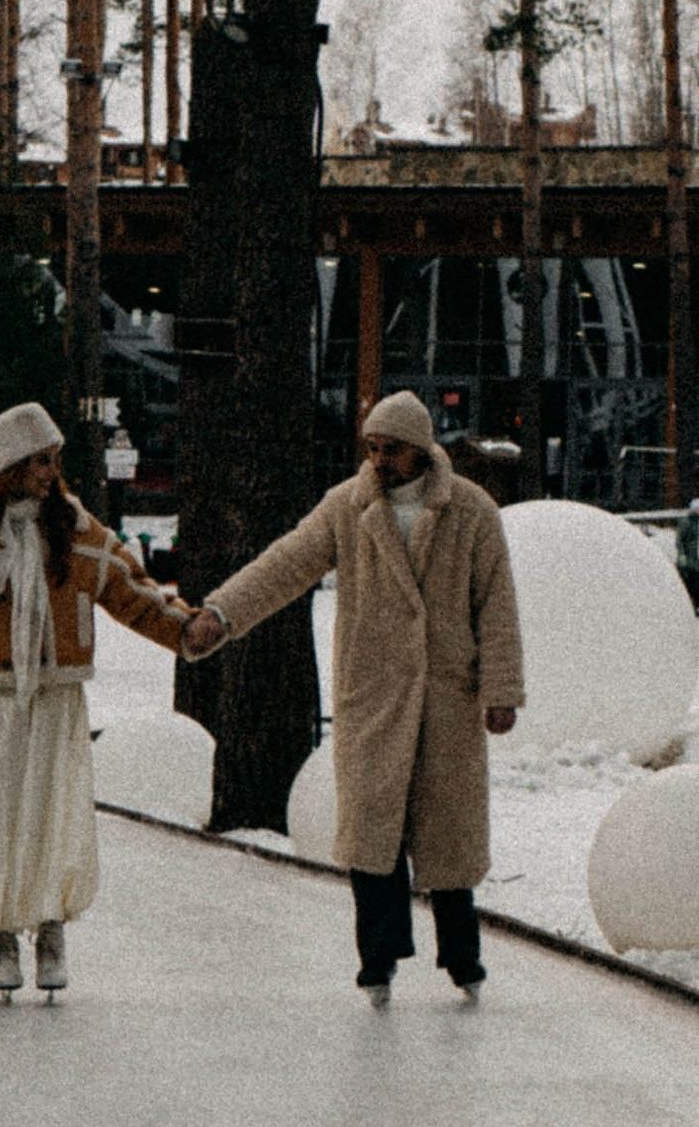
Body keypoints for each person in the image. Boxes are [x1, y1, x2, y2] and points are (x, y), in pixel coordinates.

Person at [183, 389, 524, 1008]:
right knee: (374, 833)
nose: (378, 460)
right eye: (371, 448)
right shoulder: (349, 506)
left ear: (420, 450)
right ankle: (378, 958)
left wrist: (501, 690)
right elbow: (287, 562)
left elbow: (496, 605)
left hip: (448, 696)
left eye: (390, 449)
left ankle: (463, 957)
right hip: (374, 695)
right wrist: (222, 612)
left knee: (448, 836)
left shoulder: (471, 511)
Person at [0, 399, 192, 1002]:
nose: (50, 472)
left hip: (55, 697)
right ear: (8, 465)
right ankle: (1, 932)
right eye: (38, 461)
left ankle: (50, 929)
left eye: (53, 459)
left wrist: (185, 629)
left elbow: (131, 588)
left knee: (50, 812)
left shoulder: (75, 528)